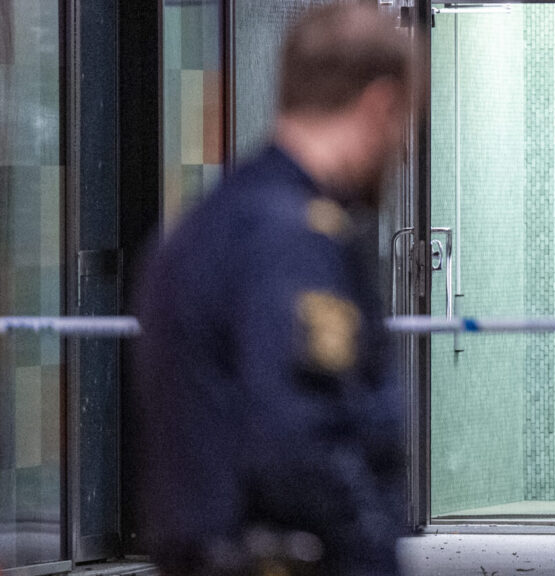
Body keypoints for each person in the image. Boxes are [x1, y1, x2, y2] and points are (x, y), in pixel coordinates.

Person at [131, 4, 416, 575]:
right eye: (407, 121)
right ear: (378, 105)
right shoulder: (294, 240)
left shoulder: (208, 223)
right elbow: (301, 443)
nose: (404, 149)